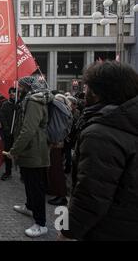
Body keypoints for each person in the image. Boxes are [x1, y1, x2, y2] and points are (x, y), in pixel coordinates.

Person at [58, 61, 138, 241]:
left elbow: (90, 195)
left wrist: (66, 231)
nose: (84, 92)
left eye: (87, 88)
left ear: (96, 92)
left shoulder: (101, 133)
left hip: (108, 228)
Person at [3, 76, 53, 238]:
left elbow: (28, 129)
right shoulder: (31, 100)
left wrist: (14, 150)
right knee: (28, 181)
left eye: (21, 87)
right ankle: (29, 206)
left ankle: (41, 223)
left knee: (35, 186)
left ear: (27, 87)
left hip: (33, 150)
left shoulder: (33, 101)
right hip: (30, 149)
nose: (19, 90)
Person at [46, 94, 71, 206]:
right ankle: (55, 191)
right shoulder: (65, 110)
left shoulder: (58, 108)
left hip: (56, 142)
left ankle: (62, 195)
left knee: (56, 169)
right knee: (55, 168)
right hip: (58, 141)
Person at [0, 88, 16, 181]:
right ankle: (8, 171)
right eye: (11, 92)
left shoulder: (20, 104)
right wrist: (6, 129)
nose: (13, 94)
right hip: (8, 132)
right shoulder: (5, 104)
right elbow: (2, 117)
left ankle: (22, 173)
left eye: (15, 92)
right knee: (7, 152)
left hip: (18, 133)